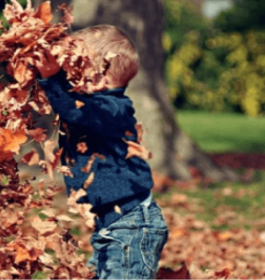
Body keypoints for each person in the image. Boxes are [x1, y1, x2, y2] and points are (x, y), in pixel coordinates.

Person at [37, 25, 169, 280]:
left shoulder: (112, 109)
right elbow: (73, 103)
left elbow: (75, 112)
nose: (69, 75)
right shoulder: (97, 105)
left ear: (100, 78)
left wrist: (50, 81)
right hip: (111, 226)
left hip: (130, 227)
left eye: (77, 68)